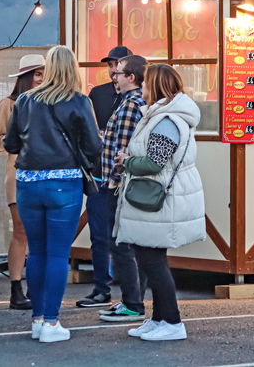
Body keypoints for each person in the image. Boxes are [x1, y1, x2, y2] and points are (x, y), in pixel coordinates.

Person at [4, 46, 101, 343]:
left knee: (36, 251)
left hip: (27, 183)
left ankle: (37, 320)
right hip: (65, 183)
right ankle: (51, 322)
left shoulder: (24, 100)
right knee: (58, 253)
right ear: (72, 69)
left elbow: (10, 144)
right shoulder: (79, 101)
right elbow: (94, 147)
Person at [114, 64, 205, 342]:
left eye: (145, 83)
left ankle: (173, 322)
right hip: (159, 199)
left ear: (154, 86)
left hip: (158, 200)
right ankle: (159, 319)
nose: (141, 87)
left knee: (152, 262)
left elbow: (155, 162)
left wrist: (126, 161)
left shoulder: (166, 120)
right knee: (151, 259)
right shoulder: (163, 115)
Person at [0, 54, 45, 311]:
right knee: (21, 231)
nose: (41, 79)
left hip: (44, 173)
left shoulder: (49, 103)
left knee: (40, 234)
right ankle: (16, 290)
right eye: (37, 74)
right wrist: (23, 140)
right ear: (25, 77)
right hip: (18, 172)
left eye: (43, 74)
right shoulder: (9, 104)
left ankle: (35, 287)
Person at [78, 45, 131, 309]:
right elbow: (86, 129)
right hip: (99, 175)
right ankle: (102, 289)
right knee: (99, 235)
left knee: (129, 236)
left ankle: (132, 295)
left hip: (129, 178)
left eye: (117, 65)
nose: (112, 70)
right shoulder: (97, 94)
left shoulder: (137, 98)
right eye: (110, 65)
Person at [97, 54, 148, 323]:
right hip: (124, 183)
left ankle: (132, 303)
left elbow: (124, 149)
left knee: (121, 244)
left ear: (131, 77)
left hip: (119, 185)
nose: (114, 76)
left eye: (118, 73)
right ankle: (132, 300)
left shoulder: (130, 105)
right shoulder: (136, 102)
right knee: (128, 244)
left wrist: (115, 174)